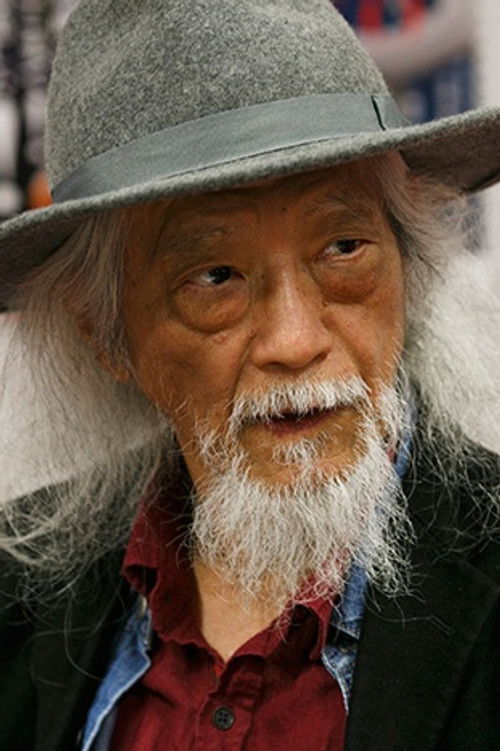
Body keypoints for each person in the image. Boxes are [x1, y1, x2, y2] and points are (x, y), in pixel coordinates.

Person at [0, 2, 499, 750]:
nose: (295, 341)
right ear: (104, 333)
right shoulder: (17, 602)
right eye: (216, 276)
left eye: (343, 247)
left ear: (407, 262)